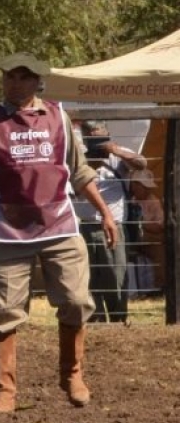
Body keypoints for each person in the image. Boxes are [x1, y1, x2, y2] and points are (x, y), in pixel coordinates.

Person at [0, 52, 117, 414]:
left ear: (37, 82)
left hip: (60, 225)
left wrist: (105, 213)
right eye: (10, 76)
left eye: (23, 77)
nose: (15, 83)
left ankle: (72, 375)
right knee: (5, 311)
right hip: (9, 230)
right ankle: (5, 392)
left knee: (75, 301)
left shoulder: (59, 117)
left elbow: (81, 171)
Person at [74, 120, 147, 323]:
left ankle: (118, 319)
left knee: (115, 276)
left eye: (102, 138)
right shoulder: (78, 156)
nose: (99, 144)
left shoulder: (117, 155)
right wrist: (91, 162)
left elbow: (142, 163)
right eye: (94, 139)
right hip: (83, 225)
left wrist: (116, 151)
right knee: (87, 278)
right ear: (86, 137)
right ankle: (94, 320)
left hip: (112, 225)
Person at [128, 169, 165, 294]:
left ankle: (160, 286)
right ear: (134, 185)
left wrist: (141, 224)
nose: (148, 190)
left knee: (161, 248)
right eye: (144, 186)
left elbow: (160, 226)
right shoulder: (128, 201)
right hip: (131, 238)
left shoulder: (153, 201)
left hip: (147, 239)